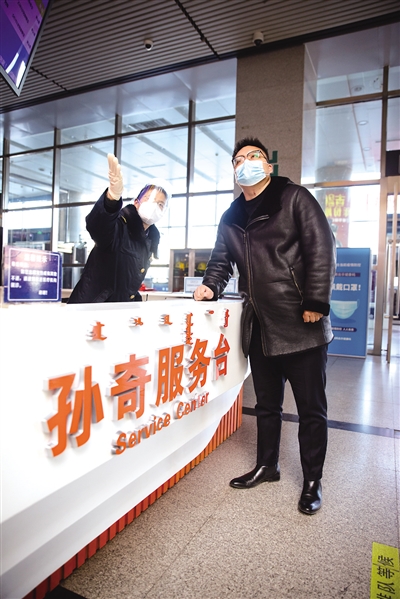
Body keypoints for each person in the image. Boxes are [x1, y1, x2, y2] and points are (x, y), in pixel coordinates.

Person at [194, 137, 336, 515]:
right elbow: (221, 260)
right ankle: (267, 465)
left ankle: (312, 480)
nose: (246, 163)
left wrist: (316, 301)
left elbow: (321, 248)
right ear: (234, 171)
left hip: (301, 322)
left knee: (311, 409)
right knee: (266, 405)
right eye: (238, 160)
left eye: (253, 156)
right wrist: (210, 286)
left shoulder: (294, 198)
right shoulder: (231, 216)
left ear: (268, 166)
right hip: (260, 325)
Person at [68, 154, 171, 303]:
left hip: (117, 309)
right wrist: (111, 199)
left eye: (160, 204)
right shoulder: (120, 225)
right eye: (149, 199)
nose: (154, 206)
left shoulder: (149, 239)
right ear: (136, 202)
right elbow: (98, 227)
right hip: (93, 307)